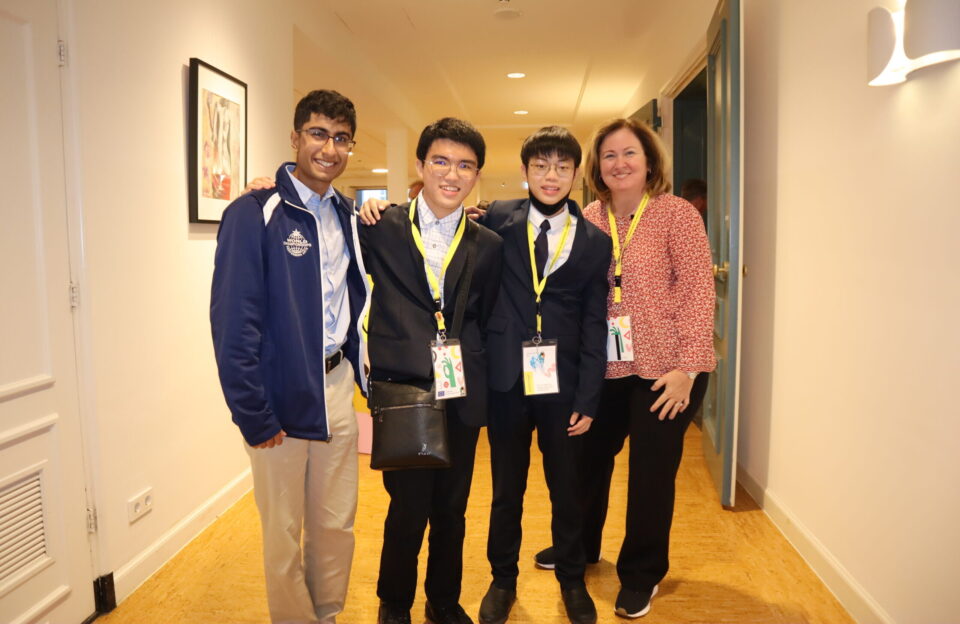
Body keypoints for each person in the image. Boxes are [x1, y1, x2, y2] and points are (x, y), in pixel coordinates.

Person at [361, 125, 611, 624]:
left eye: (563, 167)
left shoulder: (553, 240)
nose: (551, 175)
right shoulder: (395, 225)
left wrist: (589, 393)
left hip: (508, 385)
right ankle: (419, 599)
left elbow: (591, 320)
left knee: (482, 502)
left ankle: (548, 581)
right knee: (446, 502)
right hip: (465, 387)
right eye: (540, 165)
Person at [534, 118, 715, 619]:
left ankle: (640, 574)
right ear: (597, 167)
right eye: (609, 155)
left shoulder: (677, 214)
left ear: (650, 161)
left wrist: (689, 369)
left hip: (666, 371)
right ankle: (581, 548)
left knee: (651, 477)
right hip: (606, 368)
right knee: (585, 463)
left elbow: (700, 291)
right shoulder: (588, 216)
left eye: (629, 153)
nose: (619, 163)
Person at [210, 90, 369, 624]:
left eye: (341, 137)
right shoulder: (253, 213)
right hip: (278, 397)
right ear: (296, 137)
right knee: (282, 533)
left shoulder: (347, 215)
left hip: (337, 389)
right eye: (319, 133)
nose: (329, 147)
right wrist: (252, 413)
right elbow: (233, 324)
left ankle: (327, 614)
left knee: (335, 524)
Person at [361, 118, 503, 624]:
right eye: (440, 161)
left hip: (460, 392)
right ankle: (393, 603)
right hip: (404, 391)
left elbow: (486, 317)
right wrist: (267, 179)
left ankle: (443, 601)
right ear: (420, 166)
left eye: (465, 166)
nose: (452, 174)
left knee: (453, 510)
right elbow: (321, 212)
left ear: (476, 175)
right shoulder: (381, 227)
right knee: (407, 511)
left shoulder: (487, 244)